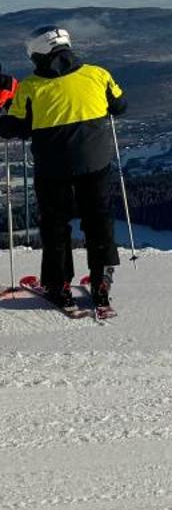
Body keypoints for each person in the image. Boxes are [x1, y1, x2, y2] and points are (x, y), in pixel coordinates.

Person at [1, 27, 126, 308]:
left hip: (52, 168)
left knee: (55, 224)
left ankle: (58, 285)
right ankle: (102, 280)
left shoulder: (32, 87)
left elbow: (16, 127)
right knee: (98, 219)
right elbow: (119, 105)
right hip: (95, 163)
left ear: (39, 54)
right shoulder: (98, 74)